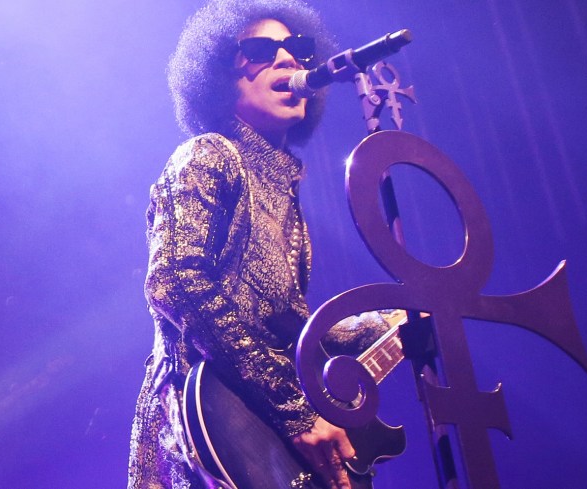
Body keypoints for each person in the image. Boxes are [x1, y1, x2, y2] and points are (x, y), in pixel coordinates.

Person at [127, 1, 390, 487]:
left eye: (298, 49)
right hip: (206, 432)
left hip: (257, 434)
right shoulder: (209, 155)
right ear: (217, 78)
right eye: (261, 51)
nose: (289, 61)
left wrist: (399, 316)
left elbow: (287, 328)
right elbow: (174, 282)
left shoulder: (282, 191)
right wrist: (296, 413)